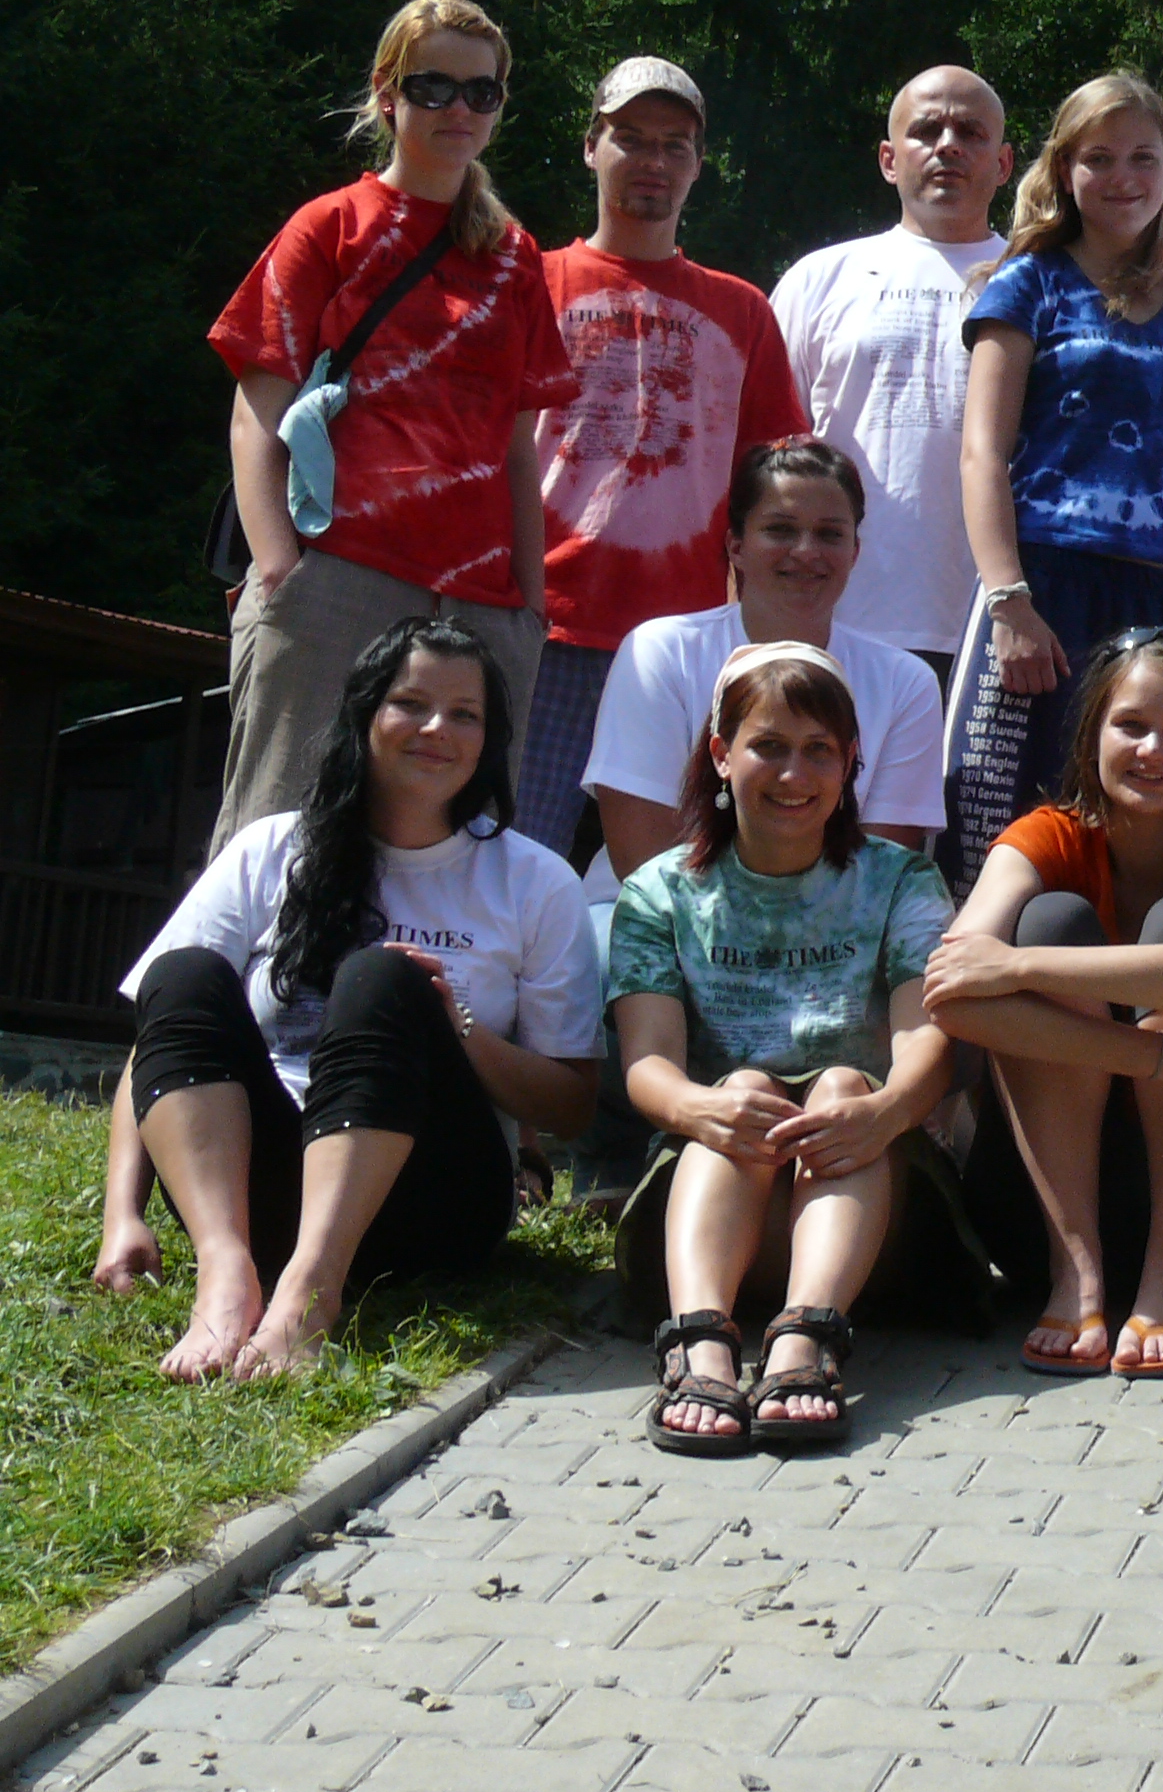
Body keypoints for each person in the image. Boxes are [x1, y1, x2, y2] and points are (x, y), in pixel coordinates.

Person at [97, 622, 597, 1379]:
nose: (437, 728)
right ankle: (225, 1273)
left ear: (490, 740)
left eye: (465, 714)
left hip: (429, 1205)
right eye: (411, 704)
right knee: (185, 970)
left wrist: (455, 1028)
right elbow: (163, 1039)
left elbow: (571, 1106)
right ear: (364, 714)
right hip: (262, 1189)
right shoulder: (271, 849)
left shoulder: (536, 881)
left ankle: (310, 1294)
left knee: (381, 979)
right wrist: (123, 1215)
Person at [209, 0, 576, 849]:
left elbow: (518, 449)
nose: (459, 109)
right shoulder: (330, 226)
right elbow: (255, 414)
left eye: (481, 92)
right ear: (387, 94)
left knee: (458, 854)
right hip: (338, 575)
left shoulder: (514, 256)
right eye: (433, 86)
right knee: (280, 836)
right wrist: (282, 574)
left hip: (481, 605)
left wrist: (528, 608)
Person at [608, 644, 961, 1453]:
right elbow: (647, 1063)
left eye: (818, 751)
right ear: (721, 754)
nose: (794, 775)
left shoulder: (902, 881)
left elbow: (927, 1042)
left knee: (843, 1084)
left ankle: (806, 1339)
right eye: (768, 746)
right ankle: (700, 1344)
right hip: (715, 1194)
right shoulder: (659, 891)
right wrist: (703, 1109)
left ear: (849, 764)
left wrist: (886, 1111)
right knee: (739, 1088)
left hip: (868, 1200)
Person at [922, 629, 1163, 1377]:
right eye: (1131, 726)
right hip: (1033, 1226)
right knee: (1050, 917)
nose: (1153, 750)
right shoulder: (1043, 837)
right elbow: (951, 995)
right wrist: (1156, 1057)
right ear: (1093, 737)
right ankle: (1076, 1274)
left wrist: (1019, 966)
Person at [948, 74, 1163, 879]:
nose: (1123, 178)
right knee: (1001, 814)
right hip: (1042, 587)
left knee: (1147, 821)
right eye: (1100, 158)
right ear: (1065, 169)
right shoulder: (1027, 286)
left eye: (1142, 158)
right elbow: (982, 453)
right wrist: (1009, 600)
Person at [520, 58, 810, 854]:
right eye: (630, 138)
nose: (652, 160)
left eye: (674, 145)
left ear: (698, 164)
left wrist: (757, 627)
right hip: (545, 628)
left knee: (686, 873)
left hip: (689, 644)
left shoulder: (742, 309)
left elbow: (773, 488)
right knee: (514, 855)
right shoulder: (529, 283)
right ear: (590, 147)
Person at [583, 441, 949, 884]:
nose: (806, 551)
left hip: (832, 922)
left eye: (829, 534)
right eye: (780, 530)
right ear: (736, 546)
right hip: (654, 913)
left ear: (854, 552)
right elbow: (641, 859)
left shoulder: (906, 684)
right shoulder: (659, 652)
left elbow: (878, 874)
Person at [771, 67, 1016, 674]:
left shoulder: (1042, 285)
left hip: (998, 626)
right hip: (835, 619)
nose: (948, 146)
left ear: (1004, 164)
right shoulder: (818, 280)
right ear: (888, 159)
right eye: (926, 130)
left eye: (971, 132)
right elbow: (764, 461)